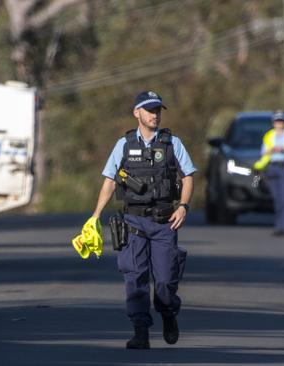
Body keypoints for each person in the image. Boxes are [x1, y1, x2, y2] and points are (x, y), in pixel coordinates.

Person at [92, 91, 196, 349]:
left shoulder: (172, 143)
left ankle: (169, 313)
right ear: (137, 112)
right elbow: (109, 180)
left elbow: (188, 176)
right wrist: (95, 216)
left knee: (164, 282)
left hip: (164, 222)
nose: (155, 115)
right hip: (133, 222)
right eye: (150, 110)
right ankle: (141, 332)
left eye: (158, 110)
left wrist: (183, 206)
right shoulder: (124, 145)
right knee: (135, 278)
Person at [253, 112, 284, 237]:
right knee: (277, 198)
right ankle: (279, 226)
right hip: (271, 167)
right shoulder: (269, 136)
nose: (279, 124)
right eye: (277, 121)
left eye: (281, 121)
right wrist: (271, 150)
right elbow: (263, 153)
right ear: (273, 123)